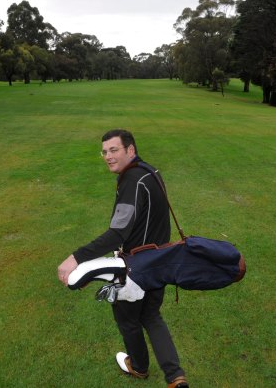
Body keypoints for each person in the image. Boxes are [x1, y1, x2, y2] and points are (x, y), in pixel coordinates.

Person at [57, 129, 188, 388]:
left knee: (127, 319)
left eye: (114, 150)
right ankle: (176, 377)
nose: (107, 156)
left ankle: (138, 367)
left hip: (136, 268)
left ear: (130, 150)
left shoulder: (132, 181)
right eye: (104, 152)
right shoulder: (152, 171)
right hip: (161, 261)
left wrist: (76, 258)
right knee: (151, 316)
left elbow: (118, 232)